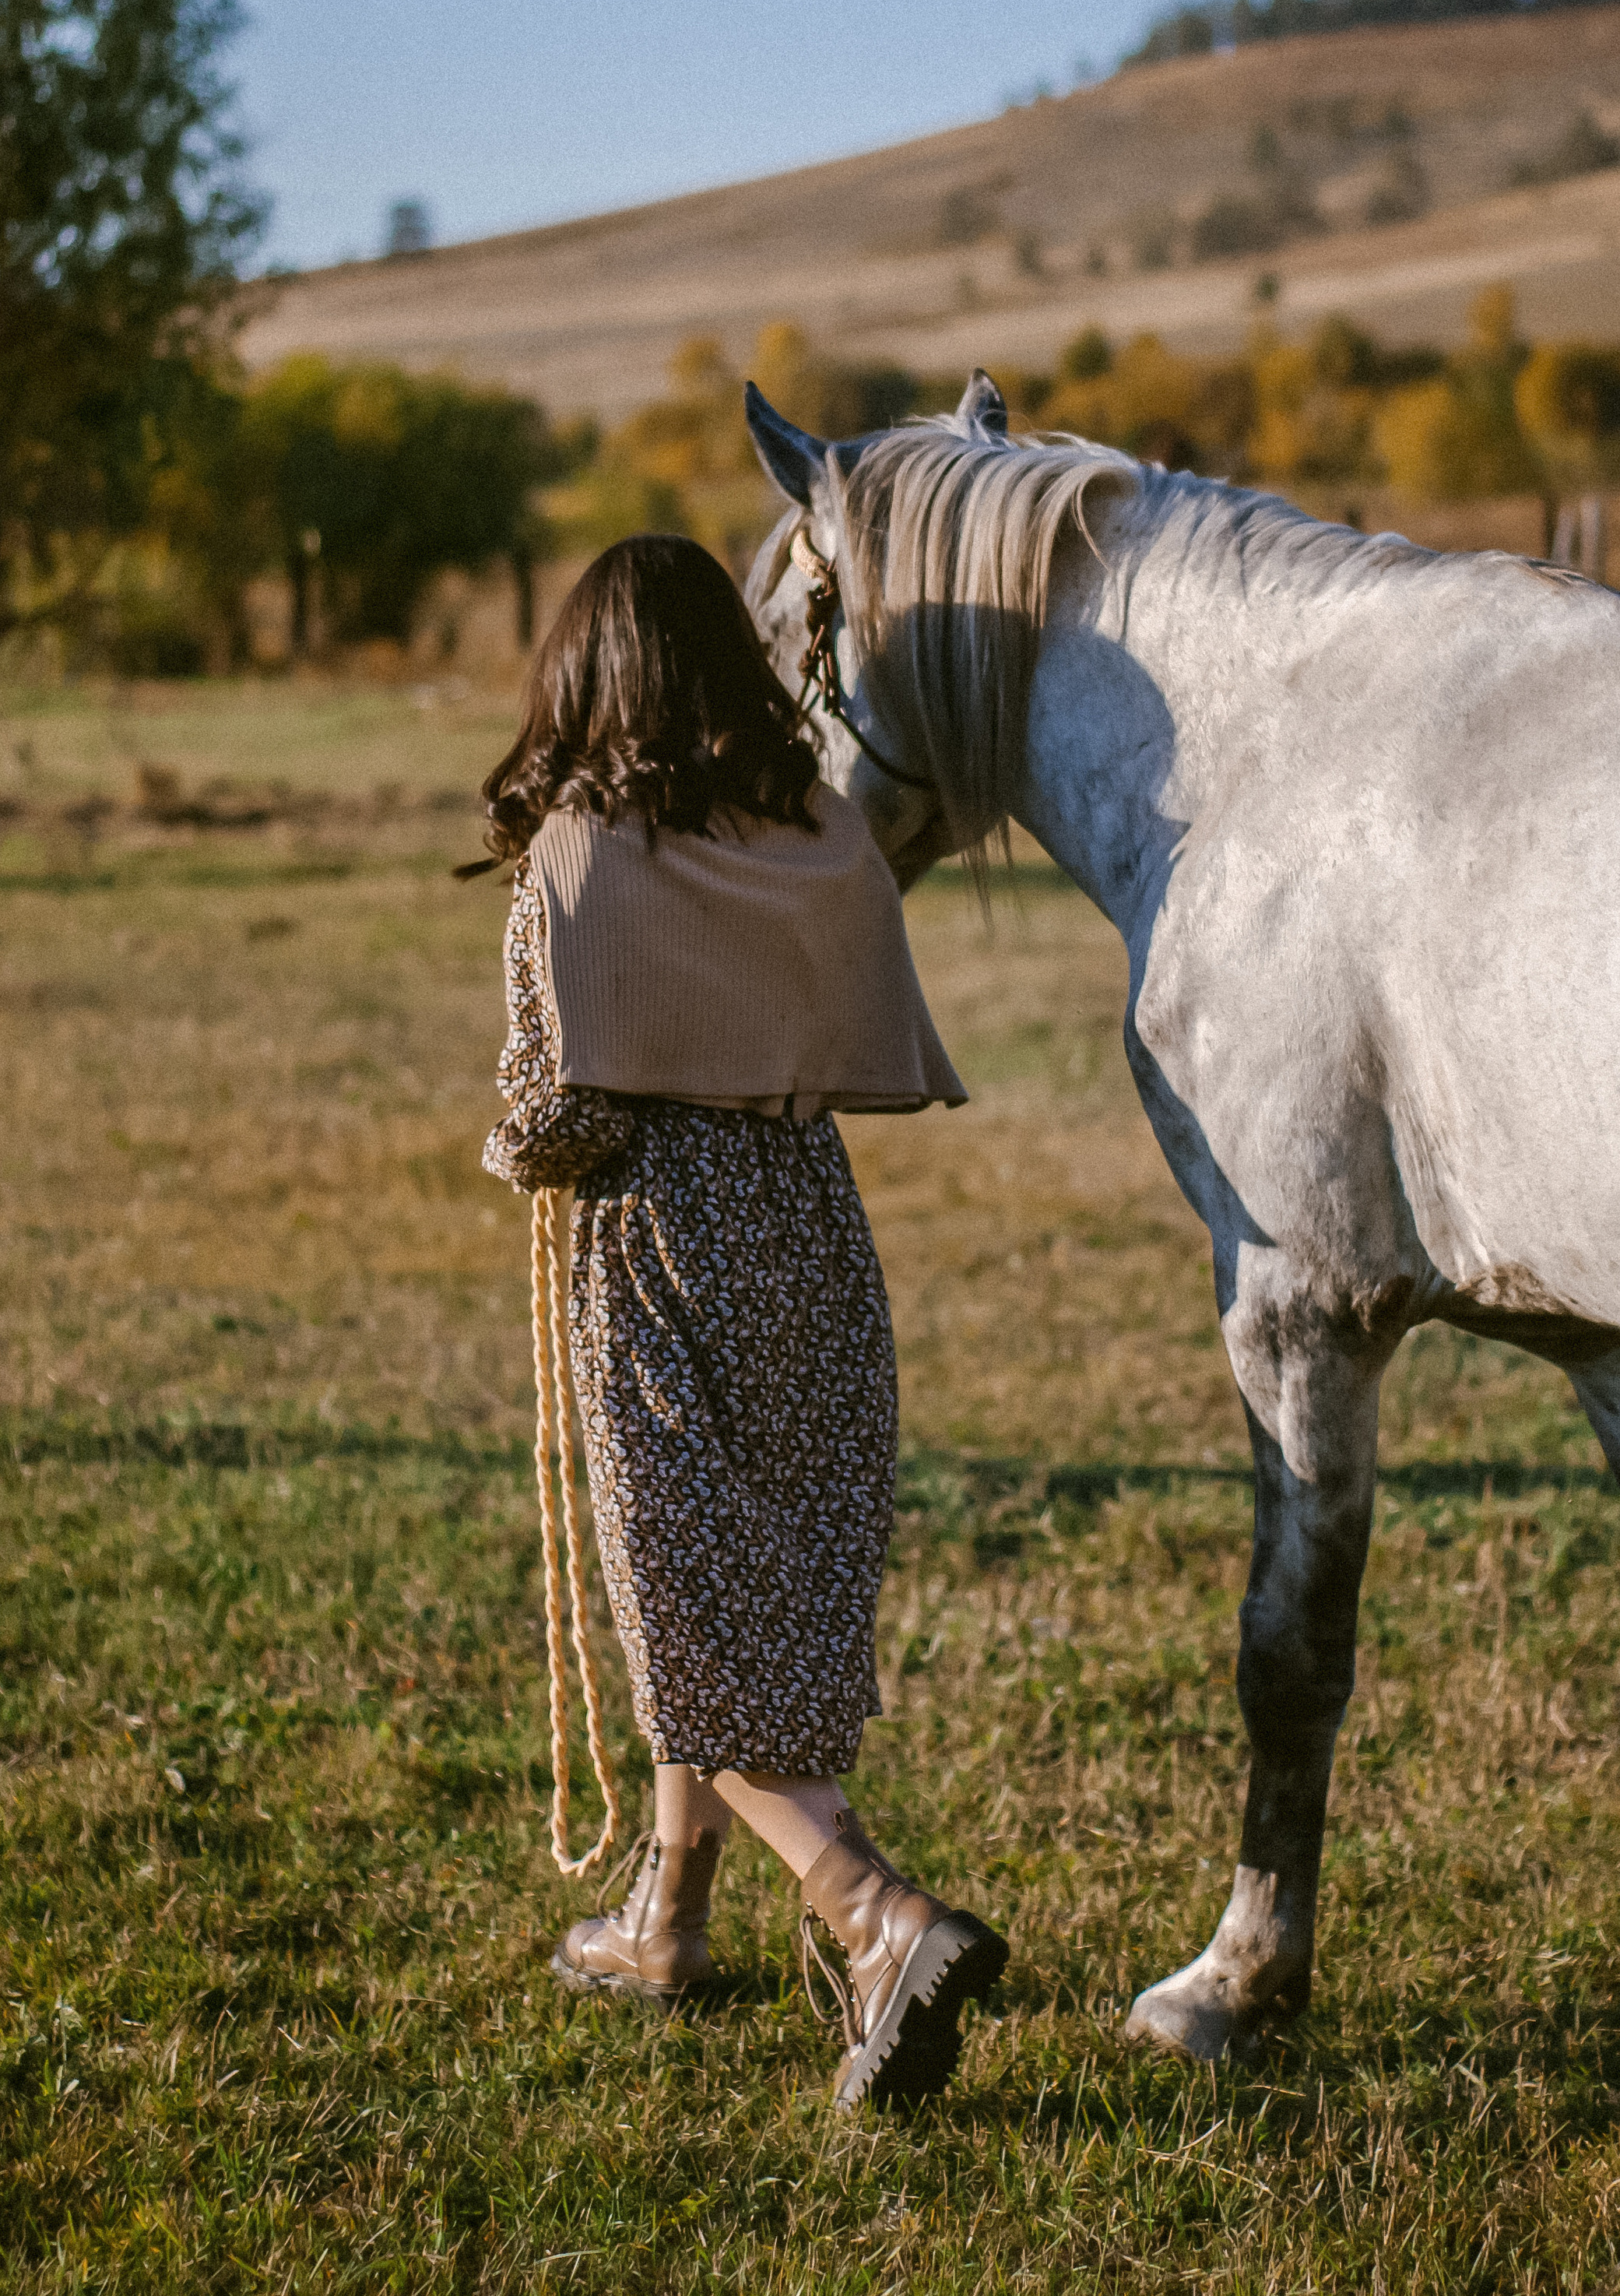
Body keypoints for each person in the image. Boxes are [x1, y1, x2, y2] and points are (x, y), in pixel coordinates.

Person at [473, 533, 1007, 2109]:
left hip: (657, 1246)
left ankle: (872, 1913)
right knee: (729, 1596)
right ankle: (667, 1916)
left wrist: (511, 1153)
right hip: (812, 1239)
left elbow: (556, 1102)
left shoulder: (576, 851)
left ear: (586, 676)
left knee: (689, 1612)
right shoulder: (816, 825)